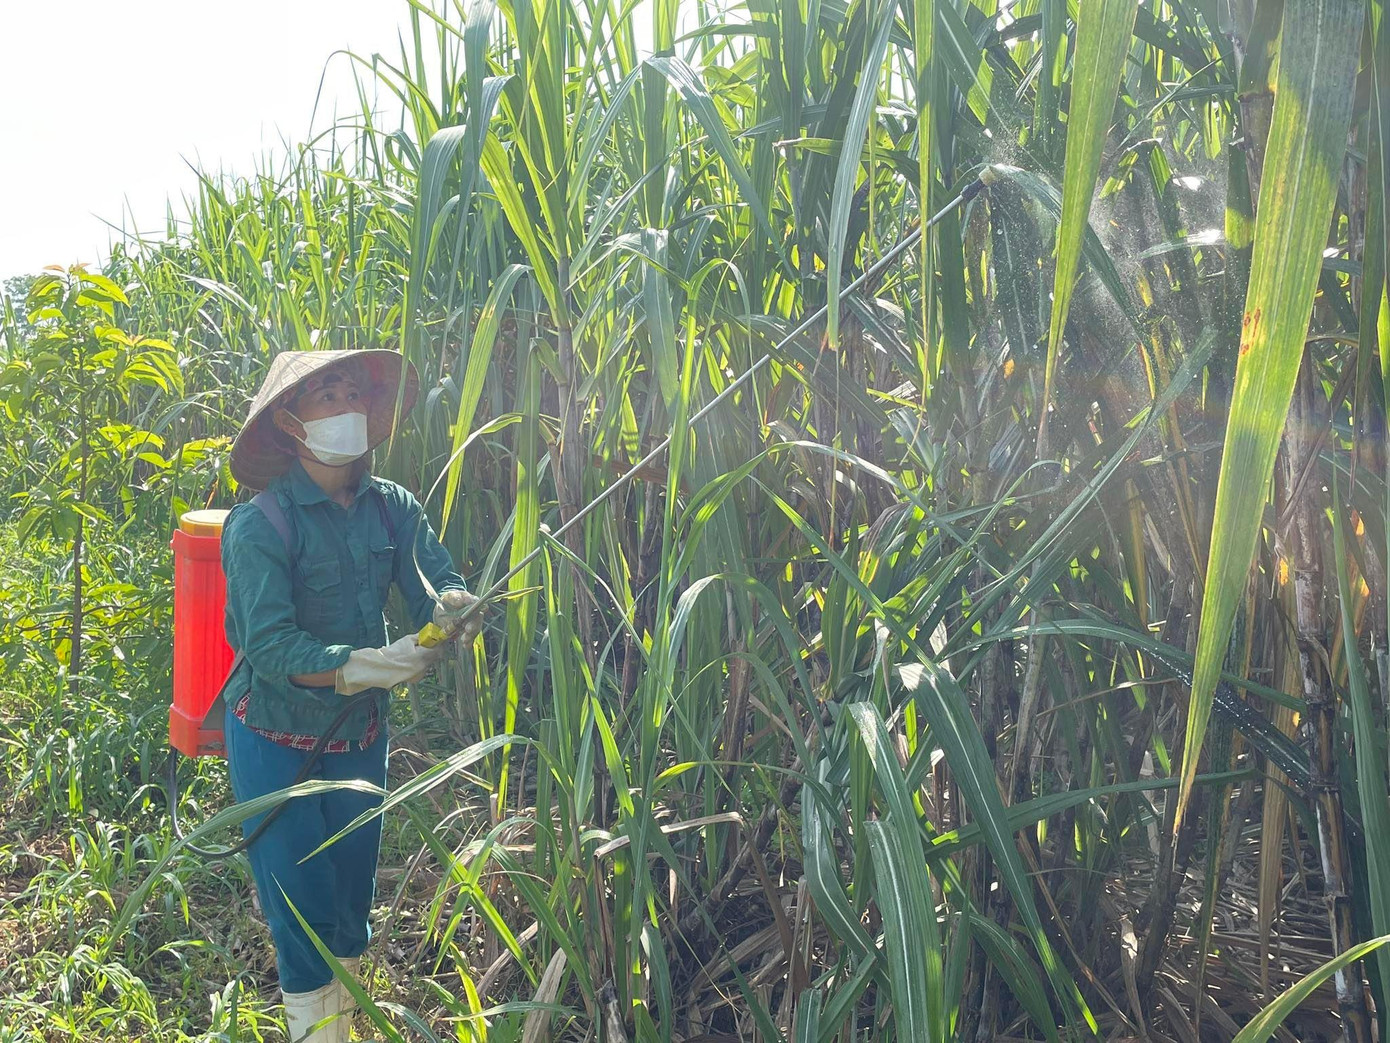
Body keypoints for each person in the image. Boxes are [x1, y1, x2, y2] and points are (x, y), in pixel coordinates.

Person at [220, 349, 480, 1042]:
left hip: (361, 738)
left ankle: (348, 1019)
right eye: (326, 394)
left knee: (349, 904)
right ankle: (318, 1028)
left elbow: (436, 576)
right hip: (278, 744)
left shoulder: (392, 508)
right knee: (300, 912)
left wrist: (451, 603)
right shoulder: (260, 526)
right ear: (289, 421)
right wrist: (367, 664)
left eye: (352, 392)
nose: (346, 406)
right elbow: (271, 649)